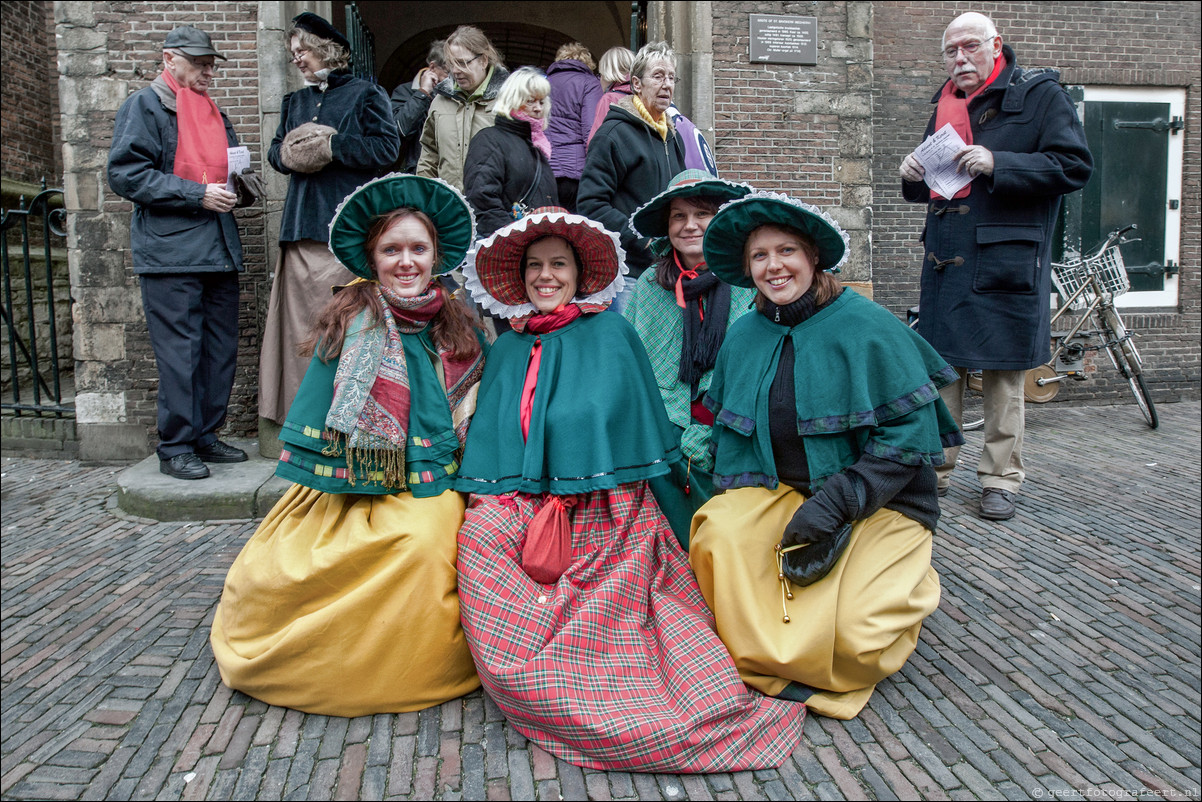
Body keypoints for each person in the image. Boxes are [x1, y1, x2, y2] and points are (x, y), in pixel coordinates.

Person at [453, 208, 803, 771]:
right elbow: (495, 438)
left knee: (610, 595)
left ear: (578, 274)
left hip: (607, 507)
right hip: (517, 503)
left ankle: (601, 689)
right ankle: (529, 669)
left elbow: (630, 429)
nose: (546, 276)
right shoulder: (510, 347)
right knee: (479, 549)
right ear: (519, 278)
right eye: (535, 266)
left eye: (558, 265)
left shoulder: (612, 334)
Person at [210, 174, 487, 716]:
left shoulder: (458, 323)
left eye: (417, 249)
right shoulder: (350, 322)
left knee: (430, 544)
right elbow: (322, 414)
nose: (405, 262)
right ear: (372, 256)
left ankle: (417, 655)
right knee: (309, 561)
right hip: (351, 482)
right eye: (392, 249)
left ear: (436, 256)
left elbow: (477, 407)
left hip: (436, 477)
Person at [689, 190, 963, 720]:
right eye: (760, 256)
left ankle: (908, 582)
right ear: (747, 268)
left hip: (880, 503)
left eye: (786, 250)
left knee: (856, 634)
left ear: (813, 257)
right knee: (719, 533)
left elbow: (908, 437)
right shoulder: (744, 335)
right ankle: (772, 648)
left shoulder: (869, 326)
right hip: (782, 493)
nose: (775, 266)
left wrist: (839, 502)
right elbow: (731, 437)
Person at [899, 12, 1093, 521]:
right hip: (946, 259)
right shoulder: (944, 101)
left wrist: (999, 163)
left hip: (1005, 259)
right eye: (950, 51)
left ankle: (1000, 479)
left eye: (969, 47)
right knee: (942, 370)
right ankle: (935, 470)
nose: (959, 58)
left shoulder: (1040, 95)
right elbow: (933, 182)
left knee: (1005, 377)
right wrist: (911, 175)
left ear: (996, 45)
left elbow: (1074, 166)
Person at [107, 25, 247, 480]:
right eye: (199, 62)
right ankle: (176, 446)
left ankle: (205, 435)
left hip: (217, 248)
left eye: (211, 63)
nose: (209, 70)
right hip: (170, 254)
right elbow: (127, 175)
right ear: (170, 59)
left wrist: (238, 187)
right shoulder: (144, 105)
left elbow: (224, 171)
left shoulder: (212, 111)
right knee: (180, 354)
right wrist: (196, 194)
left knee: (219, 350)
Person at [260, 12, 400, 433]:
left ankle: (346, 417)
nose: (297, 59)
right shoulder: (293, 102)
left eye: (302, 50)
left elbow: (387, 148)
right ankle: (302, 420)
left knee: (345, 325)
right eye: (292, 54)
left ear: (326, 48)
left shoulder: (365, 94)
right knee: (302, 328)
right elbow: (273, 153)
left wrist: (335, 146)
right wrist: (287, 154)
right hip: (301, 227)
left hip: (346, 230)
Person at [623, 170, 755, 545]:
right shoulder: (651, 284)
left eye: (701, 214)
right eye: (679, 216)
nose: (689, 225)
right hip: (665, 428)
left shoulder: (747, 279)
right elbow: (633, 365)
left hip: (732, 424)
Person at [578, 41, 686, 286]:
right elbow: (590, 204)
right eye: (658, 76)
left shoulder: (673, 137)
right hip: (628, 274)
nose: (667, 84)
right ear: (636, 84)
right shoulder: (613, 135)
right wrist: (643, 241)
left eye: (671, 78)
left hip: (668, 272)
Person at [463, 67, 559, 238]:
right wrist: (516, 239)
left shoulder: (537, 146)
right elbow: (483, 201)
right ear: (512, 100)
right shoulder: (489, 139)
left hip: (535, 247)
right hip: (507, 247)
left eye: (542, 102)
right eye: (530, 101)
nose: (538, 108)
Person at [417, 26, 510, 192]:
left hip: (495, 209)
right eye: (451, 64)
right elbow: (429, 154)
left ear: (483, 60)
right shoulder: (440, 101)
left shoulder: (508, 100)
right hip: (449, 207)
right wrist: (425, 196)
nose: (455, 71)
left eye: (462, 63)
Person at [545, 43, 602, 212]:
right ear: (587, 63)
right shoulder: (590, 83)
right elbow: (591, 131)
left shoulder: (544, 83)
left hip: (546, 170)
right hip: (575, 173)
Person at [390, 39, 449, 174]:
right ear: (433, 67)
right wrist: (423, 93)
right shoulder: (405, 91)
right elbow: (399, 130)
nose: (454, 78)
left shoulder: (459, 92)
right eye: (448, 72)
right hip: (416, 173)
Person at [586, 46, 634, 143]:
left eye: (601, 75)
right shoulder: (643, 96)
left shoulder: (608, 99)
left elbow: (596, 140)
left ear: (608, 75)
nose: (600, 80)